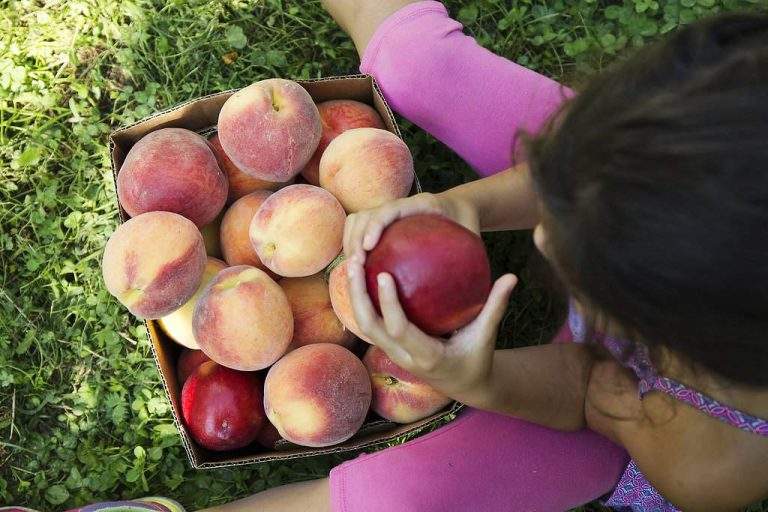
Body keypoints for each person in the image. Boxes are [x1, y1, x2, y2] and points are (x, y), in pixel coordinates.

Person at [11, 2, 765, 511]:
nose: (539, 239)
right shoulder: (706, 141)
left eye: (584, 258)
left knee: (395, 499)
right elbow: (566, 173)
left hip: (623, 422)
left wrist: (479, 379)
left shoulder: (717, 458)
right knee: (416, 63)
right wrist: (462, 206)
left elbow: (586, 391)